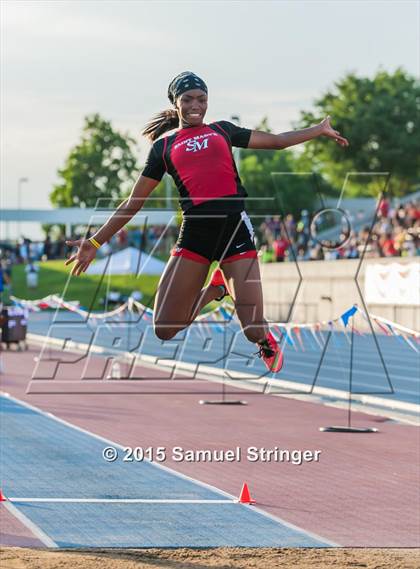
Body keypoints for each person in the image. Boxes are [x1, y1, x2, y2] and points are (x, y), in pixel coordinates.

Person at [64, 71, 349, 373]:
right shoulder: (163, 148)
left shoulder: (223, 131)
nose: (195, 105)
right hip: (195, 236)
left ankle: (264, 339)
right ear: (176, 104)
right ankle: (215, 290)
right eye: (187, 99)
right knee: (164, 327)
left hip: (233, 231)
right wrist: (95, 241)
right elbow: (134, 201)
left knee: (252, 330)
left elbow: (277, 142)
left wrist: (318, 130)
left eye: (201, 98)